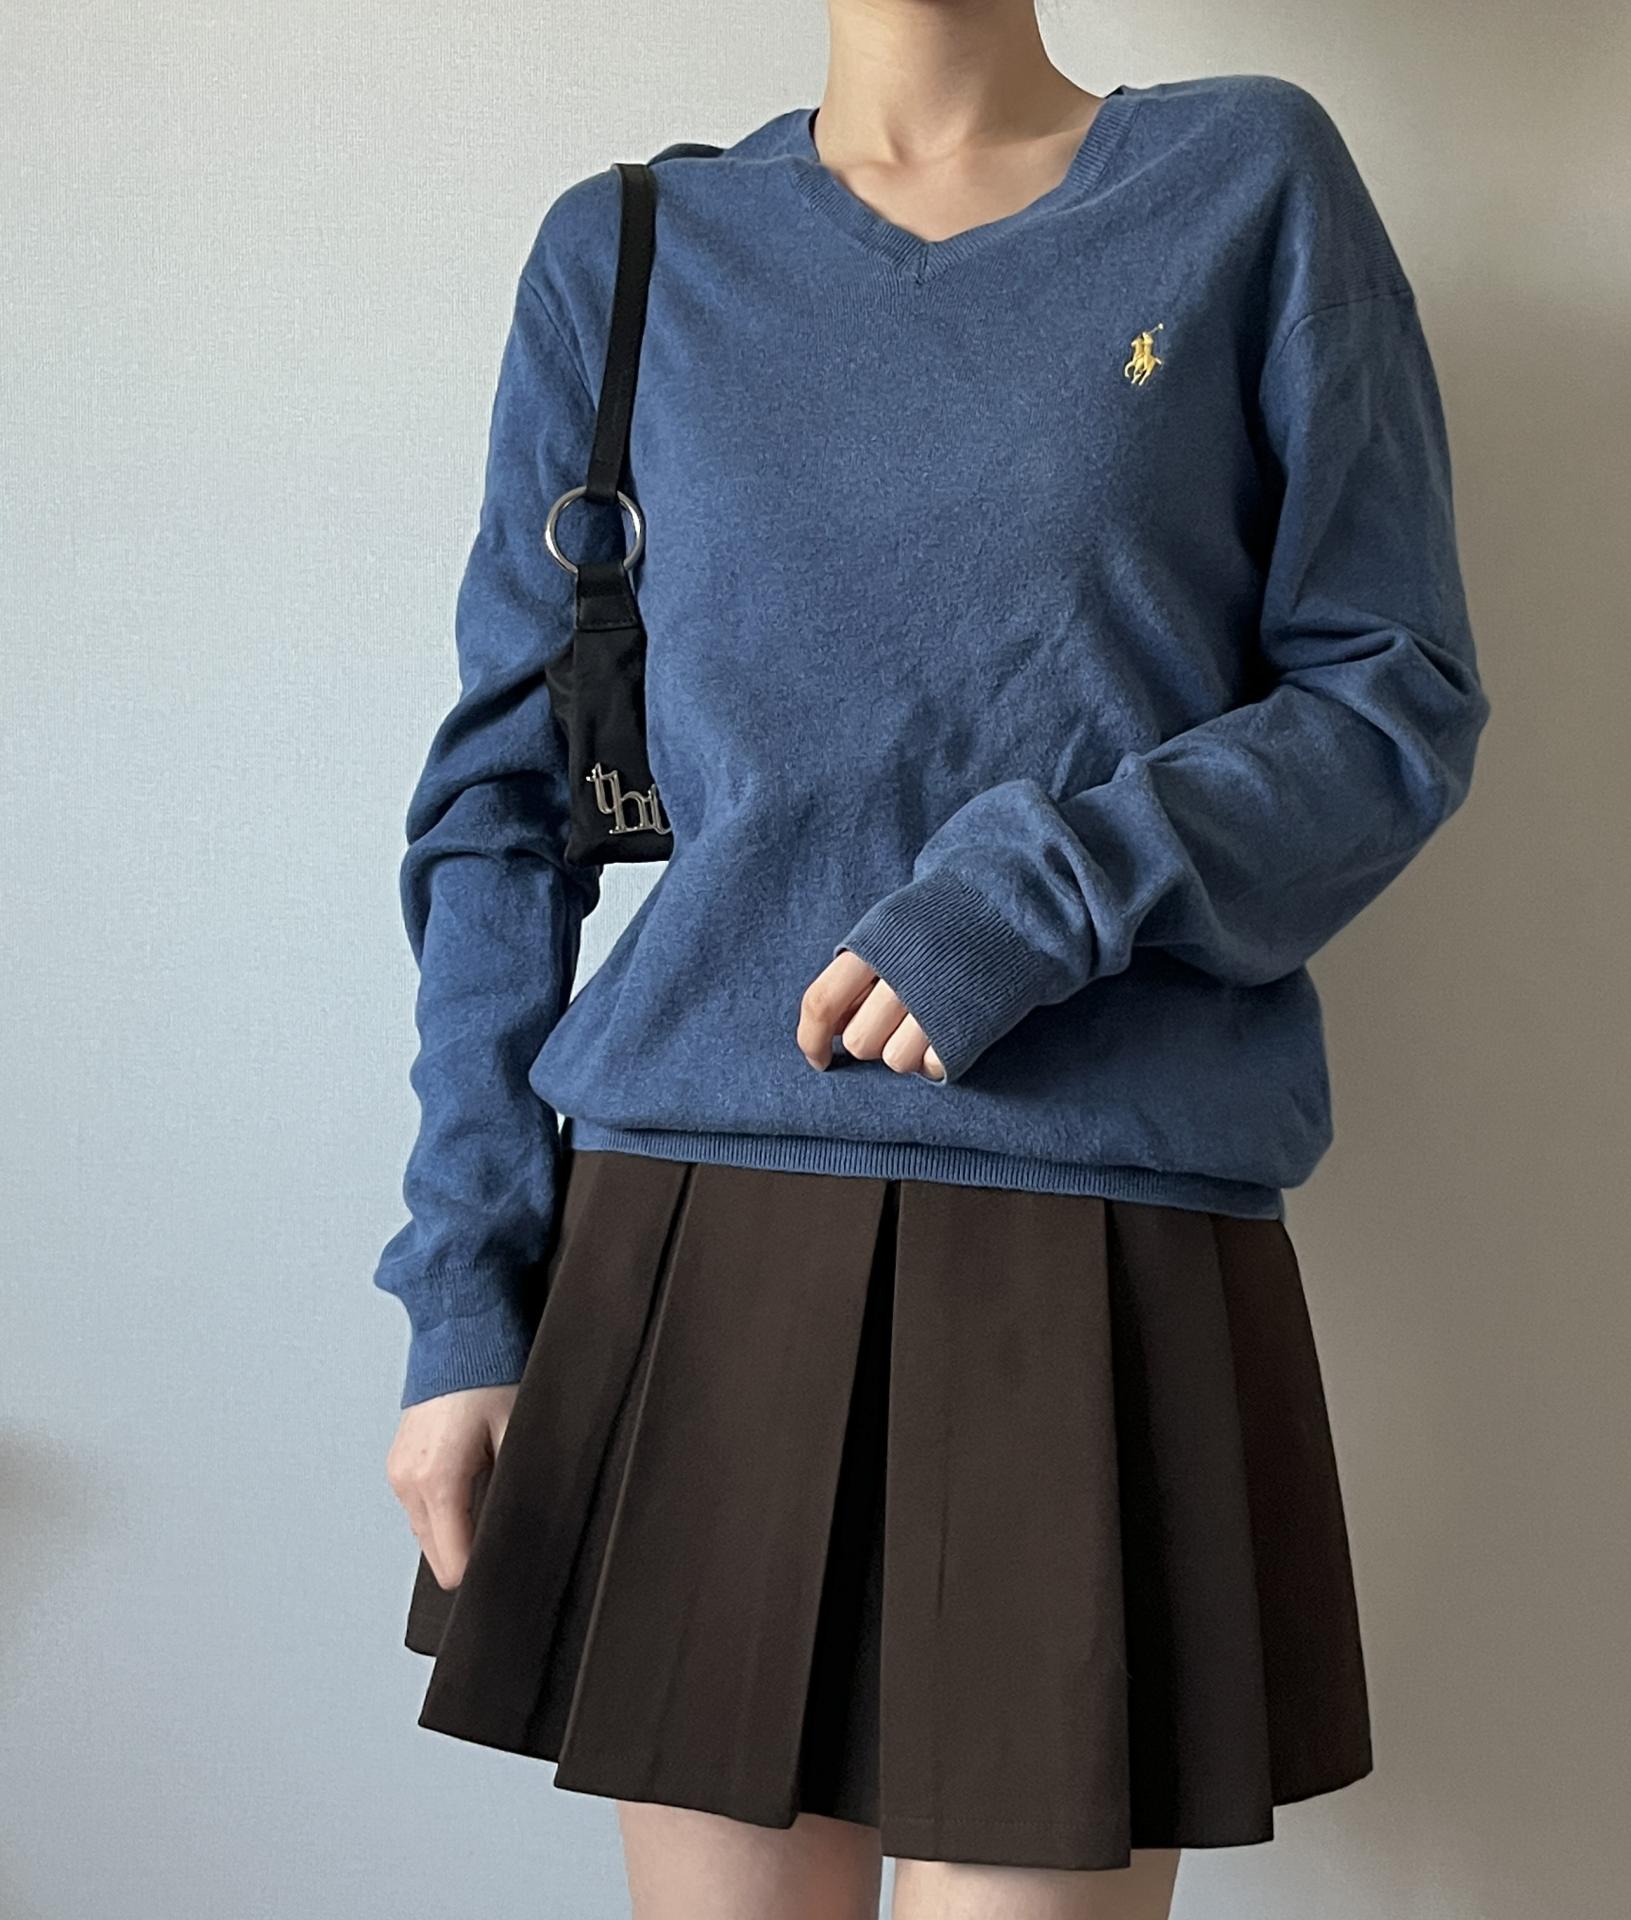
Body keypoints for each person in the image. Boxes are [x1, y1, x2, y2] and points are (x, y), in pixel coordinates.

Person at [376, 5, 1491, 1916]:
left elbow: (1391, 701)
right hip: (693, 1240)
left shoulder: (1248, 183)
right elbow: (504, 807)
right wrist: (465, 1293)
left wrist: (1047, 888)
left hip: (1097, 1245)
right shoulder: (632, 254)